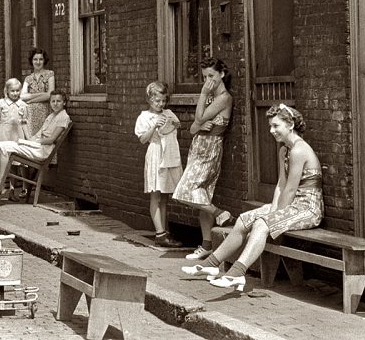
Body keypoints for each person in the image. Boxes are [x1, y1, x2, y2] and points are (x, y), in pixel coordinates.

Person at [182, 104, 323, 290]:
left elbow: (290, 190)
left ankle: (238, 273)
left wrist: (274, 217)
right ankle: (211, 265)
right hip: (292, 205)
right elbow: (281, 185)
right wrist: (273, 208)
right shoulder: (285, 150)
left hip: (308, 208)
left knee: (262, 224)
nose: (272, 131)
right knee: (244, 219)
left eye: (276, 126)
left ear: (290, 125)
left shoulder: (299, 150)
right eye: (271, 126)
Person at [173, 57, 234, 260]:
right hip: (198, 146)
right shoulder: (209, 98)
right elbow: (192, 128)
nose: (208, 81)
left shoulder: (223, 98)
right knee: (202, 196)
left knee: (185, 191)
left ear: (221, 74)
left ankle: (220, 214)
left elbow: (198, 119)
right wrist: (199, 125)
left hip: (210, 148)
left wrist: (202, 94)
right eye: (204, 77)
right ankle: (207, 244)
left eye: (211, 76)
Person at [0, 89, 71, 202]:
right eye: (53, 101)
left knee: (6, 148)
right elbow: (38, 135)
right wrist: (27, 141)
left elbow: (51, 140)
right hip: (36, 146)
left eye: (58, 101)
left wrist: (32, 142)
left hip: (42, 150)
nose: (55, 104)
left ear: (64, 102)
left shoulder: (63, 117)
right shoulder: (51, 116)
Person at [135, 82, 183, 248]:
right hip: (155, 154)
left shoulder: (168, 112)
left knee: (164, 195)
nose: (161, 104)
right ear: (149, 100)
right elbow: (142, 139)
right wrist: (155, 126)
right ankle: (159, 233)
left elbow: (177, 127)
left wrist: (174, 123)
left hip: (168, 155)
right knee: (155, 193)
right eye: (157, 101)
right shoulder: (144, 117)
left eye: (163, 101)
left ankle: (163, 232)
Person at [21, 48, 55, 137]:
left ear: (44, 61)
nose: (38, 62)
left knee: (44, 138)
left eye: (41, 59)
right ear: (31, 61)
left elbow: (49, 95)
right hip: (30, 115)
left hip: (45, 112)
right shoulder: (28, 78)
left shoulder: (50, 74)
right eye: (35, 59)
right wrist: (41, 94)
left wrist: (31, 100)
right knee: (31, 139)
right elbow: (22, 96)